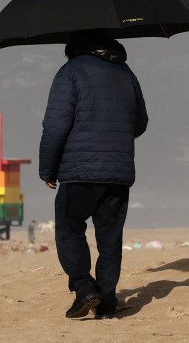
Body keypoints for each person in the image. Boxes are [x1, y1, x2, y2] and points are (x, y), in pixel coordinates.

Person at [39, 30, 148, 321]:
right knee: (110, 239)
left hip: (79, 170)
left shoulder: (70, 72)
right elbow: (140, 123)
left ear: (73, 48)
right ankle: (108, 302)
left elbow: (55, 125)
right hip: (118, 171)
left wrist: (48, 169)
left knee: (69, 227)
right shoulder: (126, 73)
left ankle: (84, 287)